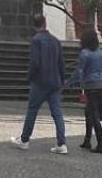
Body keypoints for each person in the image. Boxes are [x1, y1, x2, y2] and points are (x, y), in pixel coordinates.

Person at [11, 15, 68, 153]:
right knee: (57, 112)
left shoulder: (36, 40)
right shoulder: (55, 41)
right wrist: (62, 80)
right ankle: (61, 143)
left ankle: (24, 140)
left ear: (34, 25)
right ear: (45, 23)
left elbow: (35, 62)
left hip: (40, 81)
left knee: (32, 110)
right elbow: (61, 63)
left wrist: (29, 77)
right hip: (55, 81)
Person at [70, 28, 102, 154]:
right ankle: (87, 140)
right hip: (101, 85)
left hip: (90, 85)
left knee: (93, 114)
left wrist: (70, 83)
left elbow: (79, 71)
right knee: (89, 112)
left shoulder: (84, 53)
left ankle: (101, 144)